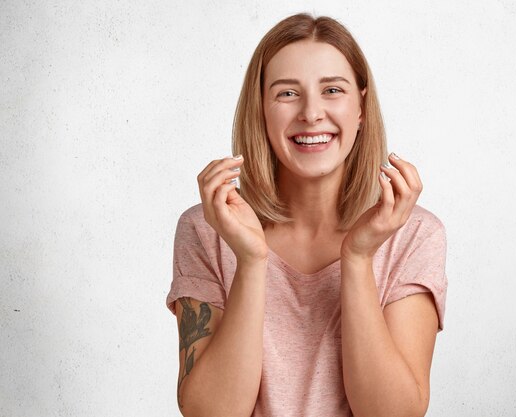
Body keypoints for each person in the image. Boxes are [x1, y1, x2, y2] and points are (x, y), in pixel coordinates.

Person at [166, 12, 448, 417]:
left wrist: (358, 258)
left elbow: (393, 413)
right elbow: (211, 413)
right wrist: (250, 260)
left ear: (362, 107)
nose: (312, 113)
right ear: (260, 110)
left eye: (332, 89)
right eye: (286, 94)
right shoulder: (206, 228)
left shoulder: (415, 233)